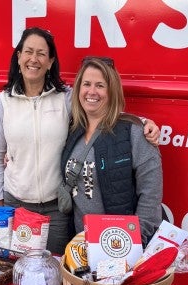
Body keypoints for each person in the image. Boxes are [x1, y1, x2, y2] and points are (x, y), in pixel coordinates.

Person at [0, 27, 160, 254]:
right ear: (18, 56)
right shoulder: (2, 102)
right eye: (28, 51)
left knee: (54, 272)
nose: (34, 59)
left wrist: (142, 123)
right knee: (17, 269)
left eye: (41, 53)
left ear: (50, 62)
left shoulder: (65, 98)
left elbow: (101, 109)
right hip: (16, 203)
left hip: (56, 209)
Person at [61, 56, 163, 247]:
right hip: (80, 243)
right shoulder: (72, 129)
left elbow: (151, 197)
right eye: (86, 84)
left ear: (112, 91)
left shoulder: (135, 133)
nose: (92, 92)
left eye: (100, 85)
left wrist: (132, 244)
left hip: (119, 245)